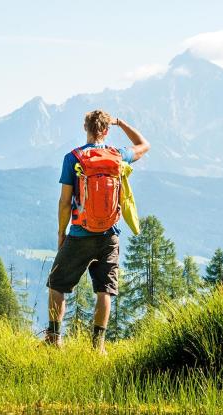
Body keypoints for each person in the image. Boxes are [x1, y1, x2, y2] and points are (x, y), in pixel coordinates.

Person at [44, 110, 149, 353]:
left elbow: (64, 202)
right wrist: (121, 122)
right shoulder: (118, 155)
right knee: (105, 290)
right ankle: (98, 347)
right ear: (106, 130)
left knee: (57, 284)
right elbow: (144, 145)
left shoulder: (73, 158)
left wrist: (62, 232)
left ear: (86, 128)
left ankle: (54, 339)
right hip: (109, 234)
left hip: (80, 233)